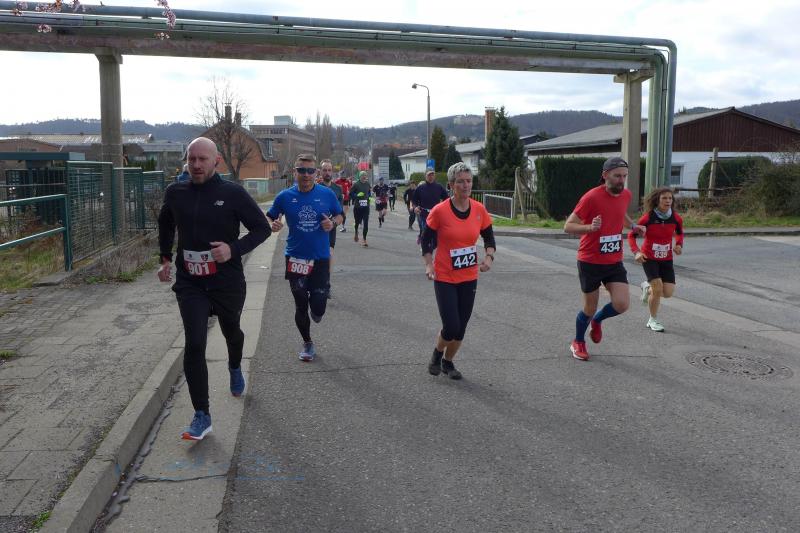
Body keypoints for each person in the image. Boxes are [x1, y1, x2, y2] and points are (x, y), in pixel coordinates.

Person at [157, 137, 271, 440]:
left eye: (202, 159)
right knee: (194, 344)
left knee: (231, 331)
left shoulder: (232, 193)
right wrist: (165, 258)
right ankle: (202, 415)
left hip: (226, 281)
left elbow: (261, 229)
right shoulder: (176, 192)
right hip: (190, 281)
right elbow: (166, 223)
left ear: (216, 161)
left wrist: (233, 249)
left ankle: (234, 365)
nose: (196, 164)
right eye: (191, 158)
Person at [563, 156, 645, 361]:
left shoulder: (626, 195)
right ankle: (578, 341)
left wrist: (633, 226)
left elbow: (621, 213)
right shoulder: (591, 197)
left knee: (622, 304)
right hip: (590, 261)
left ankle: (597, 321)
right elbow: (568, 226)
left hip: (613, 260)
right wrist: (590, 228)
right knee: (589, 308)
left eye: (624, 176)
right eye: (617, 176)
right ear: (605, 175)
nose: (621, 180)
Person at [266, 154, 343, 362]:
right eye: (302, 170)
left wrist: (333, 223)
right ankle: (307, 342)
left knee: (318, 306)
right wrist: (272, 224)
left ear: (316, 173)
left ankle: (317, 308)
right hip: (295, 258)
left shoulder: (327, 194)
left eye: (310, 171)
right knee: (300, 304)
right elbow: (269, 216)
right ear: (295, 172)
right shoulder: (284, 196)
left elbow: (340, 214)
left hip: (320, 259)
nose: (306, 175)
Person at [422, 162, 495, 380]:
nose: (466, 185)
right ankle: (437, 353)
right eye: (461, 182)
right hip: (445, 275)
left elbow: (489, 237)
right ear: (452, 185)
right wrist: (428, 264)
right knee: (451, 326)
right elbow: (426, 240)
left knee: (461, 328)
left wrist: (489, 257)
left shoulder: (479, 210)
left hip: (469, 276)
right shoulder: (440, 211)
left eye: (469, 181)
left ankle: (448, 362)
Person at [628, 187, 684, 332]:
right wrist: (636, 252)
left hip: (666, 258)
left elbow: (679, 233)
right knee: (658, 288)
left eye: (670, 198)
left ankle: (647, 287)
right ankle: (652, 320)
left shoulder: (676, 218)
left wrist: (678, 244)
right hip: (649, 258)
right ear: (657, 200)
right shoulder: (648, 218)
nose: (668, 201)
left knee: (668, 293)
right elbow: (631, 235)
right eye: (664, 198)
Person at [318, 159, 344, 276]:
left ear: (332, 171)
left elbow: (340, 212)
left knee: (329, 253)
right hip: (317, 226)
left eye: (329, 170)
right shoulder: (315, 188)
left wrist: (334, 223)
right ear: (320, 172)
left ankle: (326, 281)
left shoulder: (337, 189)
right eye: (325, 170)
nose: (327, 173)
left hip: (331, 227)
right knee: (318, 256)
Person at [412, 167, 449, 245]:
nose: (431, 176)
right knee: (425, 232)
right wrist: (415, 208)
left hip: (436, 215)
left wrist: (444, 208)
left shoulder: (439, 187)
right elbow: (414, 200)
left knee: (435, 235)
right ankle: (425, 247)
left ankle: (431, 245)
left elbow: (446, 199)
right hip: (424, 214)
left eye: (432, 174)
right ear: (425, 176)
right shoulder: (420, 188)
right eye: (429, 175)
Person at [350, 171, 372, 247]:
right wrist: (357, 195)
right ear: (360, 176)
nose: (364, 176)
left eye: (365, 175)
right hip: (358, 207)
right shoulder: (356, 184)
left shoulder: (368, 184)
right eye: (363, 175)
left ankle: (364, 239)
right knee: (357, 222)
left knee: (366, 223)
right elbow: (351, 194)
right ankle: (356, 232)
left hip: (366, 207)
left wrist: (370, 198)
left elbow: (369, 192)